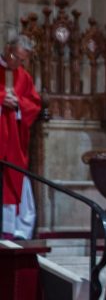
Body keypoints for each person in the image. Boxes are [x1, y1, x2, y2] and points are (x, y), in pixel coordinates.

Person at [1, 35, 41, 240]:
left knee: (13, 181)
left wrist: (18, 104)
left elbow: (34, 104)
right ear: (7, 48)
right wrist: (1, 100)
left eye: (22, 60)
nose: (17, 63)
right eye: (15, 57)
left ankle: (11, 231)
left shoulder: (24, 77)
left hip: (13, 142)